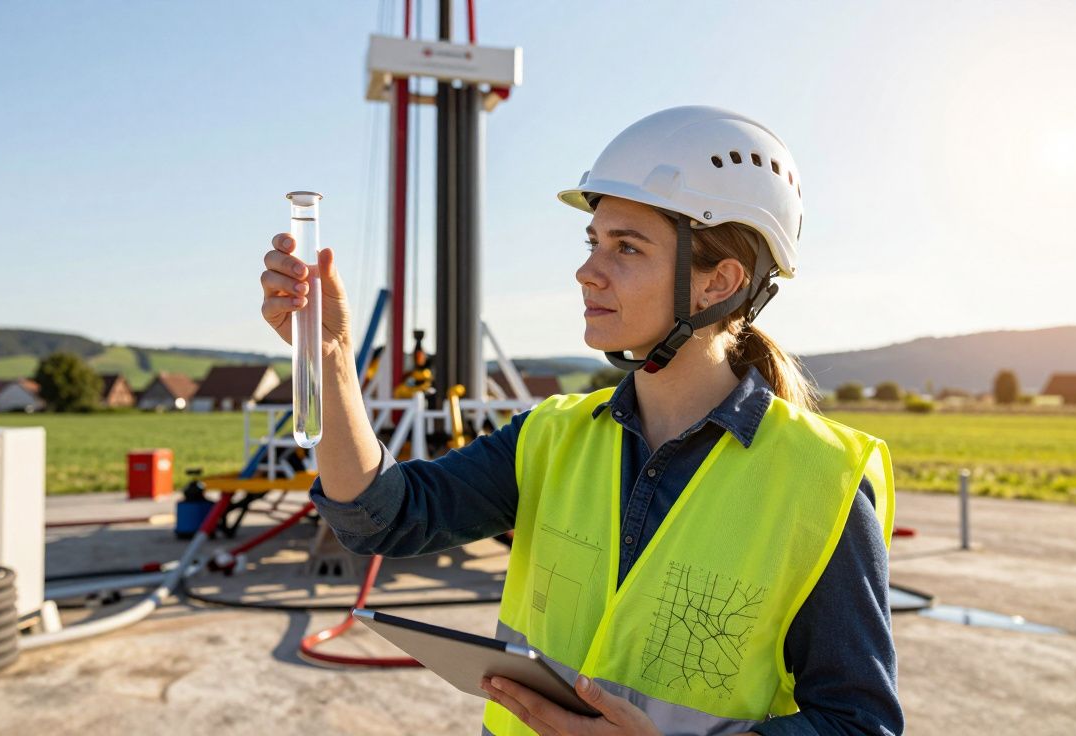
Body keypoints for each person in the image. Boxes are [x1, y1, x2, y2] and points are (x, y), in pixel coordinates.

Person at [259, 106, 903, 736]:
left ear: (718, 282)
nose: (586, 272)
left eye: (626, 247)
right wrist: (333, 362)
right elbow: (382, 516)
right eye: (594, 241)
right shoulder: (550, 435)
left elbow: (859, 721)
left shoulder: (823, 484)